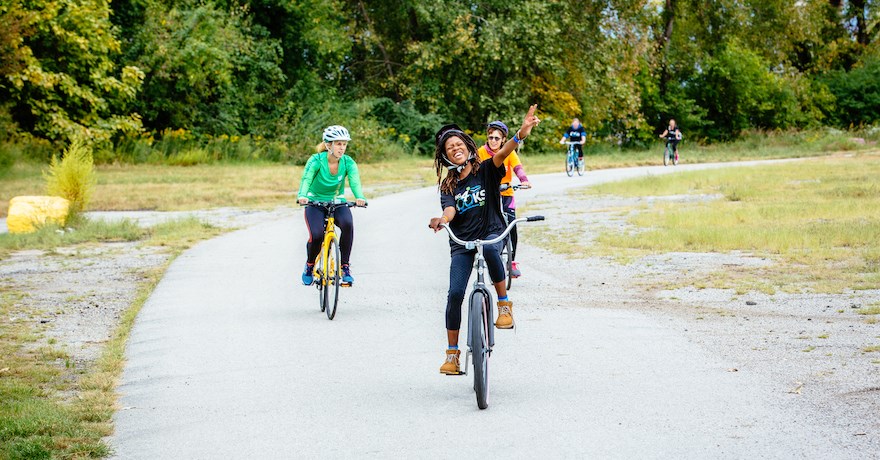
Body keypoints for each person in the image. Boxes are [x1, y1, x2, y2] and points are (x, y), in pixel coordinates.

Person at [429, 105, 541, 375]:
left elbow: (503, 152)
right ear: (445, 156)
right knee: (455, 294)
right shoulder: (448, 185)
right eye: (449, 148)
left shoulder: (488, 168)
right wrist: (442, 220)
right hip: (462, 243)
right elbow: (450, 209)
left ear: (468, 146)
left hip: (491, 230)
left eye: (458, 144)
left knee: (492, 249)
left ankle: (503, 304)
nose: (455, 148)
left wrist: (520, 135)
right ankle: (452, 355)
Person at [298, 125, 367, 286]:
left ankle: (345, 267)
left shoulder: (348, 162)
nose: (342, 148)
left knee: (348, 224)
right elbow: (306, 179)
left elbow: (355, 181)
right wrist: (302, 196)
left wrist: (359, 197)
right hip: (315, 202)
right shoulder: (316, 160)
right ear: (328, 144)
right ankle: (309, 265)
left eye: (344, 144)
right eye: (338, 144)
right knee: (316, 236)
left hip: (337, 202)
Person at [477, 120, 531, 278]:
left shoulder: (509, 152)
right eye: (490, 137)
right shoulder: (481, 152)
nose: (493, 141)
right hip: (487, 194)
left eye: (497, 138)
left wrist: (524, 180)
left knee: (512, 224)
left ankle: (512, 261)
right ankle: (480, 252)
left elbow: (517, 168)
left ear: (503, 140)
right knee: (481, 220)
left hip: (506, 193)